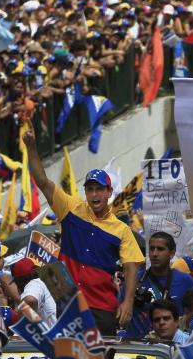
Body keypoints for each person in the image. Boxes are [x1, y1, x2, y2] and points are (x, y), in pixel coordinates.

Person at [22, 130, 144, 335]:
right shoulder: (70, 207)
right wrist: (32, 147)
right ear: (85, 192)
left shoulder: (122, 229)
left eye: (99, 189)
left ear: (109, 192)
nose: (94, 194)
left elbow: (131, 268)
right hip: (67, 305)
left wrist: (128, 303)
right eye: (90, 189)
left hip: (102, 307)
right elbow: (42, 181)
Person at [122, 231, 193, 338]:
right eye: (152, 249)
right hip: (138, 346)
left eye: (160, 249)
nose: (154, 254)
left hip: (172, 348)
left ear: (172, 253)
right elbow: (120, 313)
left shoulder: (185, 281)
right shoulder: (133, 280)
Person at [10, 257, 58, 328]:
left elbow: (30, 300)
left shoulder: (35, 283)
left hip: (57, 336)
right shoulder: (46, 283)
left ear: (19, 281)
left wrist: (20, 324)